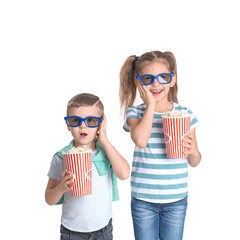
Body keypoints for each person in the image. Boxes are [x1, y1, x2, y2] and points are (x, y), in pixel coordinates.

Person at [119, 51, 201, 240]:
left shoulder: (184, 113)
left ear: (172, 80)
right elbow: (140, 140)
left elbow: (195, 161)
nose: (156, 84)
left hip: (176, 199)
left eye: (163, 77)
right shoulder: (135, 112)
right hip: (143, 200)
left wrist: (194, 151)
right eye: (148, 79)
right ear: (138, 82)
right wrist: (150, 106)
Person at [45, 93, 130, 240]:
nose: (82, 125)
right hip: (72, 231)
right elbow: (48, 199)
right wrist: (61, 188)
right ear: (67, 124)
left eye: (91, 120)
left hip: (103, 229)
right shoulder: (61, 157)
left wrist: (104, 139)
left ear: (101, 123)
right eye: (75, 120)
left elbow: (124, 174)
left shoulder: (106, 153)